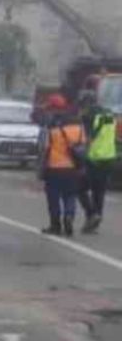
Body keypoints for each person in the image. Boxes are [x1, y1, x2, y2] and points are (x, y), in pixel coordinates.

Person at [40, 93, 87, 237]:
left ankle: (56, 225)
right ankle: (69, 217)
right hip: (72, 168)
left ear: (54, 109)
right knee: (70, 195)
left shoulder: (50, 127)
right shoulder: (78, 125)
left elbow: (44, 147)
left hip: (54, 168)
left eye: (49, 108)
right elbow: (83, 145)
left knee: (53, 198)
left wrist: (41, 169)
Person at [78, 83, 116, 234]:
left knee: (79, 188)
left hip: (94, 159)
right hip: (109, 158)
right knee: (99, 192)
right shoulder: (109, 114)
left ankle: (92, 214)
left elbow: (87, 138)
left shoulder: (89, 115)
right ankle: (95, 221)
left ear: (86, 102)